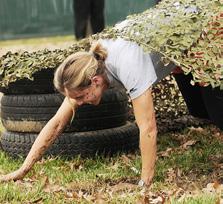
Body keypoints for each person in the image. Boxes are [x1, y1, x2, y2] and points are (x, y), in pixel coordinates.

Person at [0, 38, 175, 186]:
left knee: (200, 110)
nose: (79, 103)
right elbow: (57, 123)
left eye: (81, 97)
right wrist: (23, 170)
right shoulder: (92, 63)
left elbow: (148, 128)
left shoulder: (128, 64)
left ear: (95, 81)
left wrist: (144, 185)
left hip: (197, 32)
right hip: (174, 48)